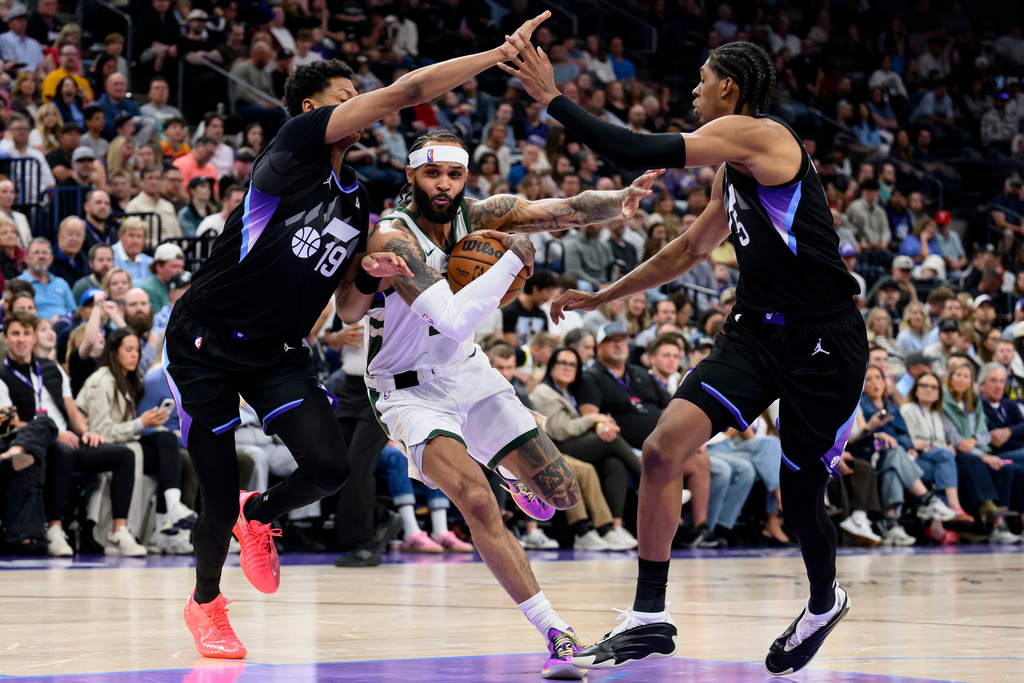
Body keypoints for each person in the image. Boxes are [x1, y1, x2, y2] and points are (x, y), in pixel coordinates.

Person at [164, 15, 557, 660]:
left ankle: (259, 515)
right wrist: (497, 53)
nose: (361, 108)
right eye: (347, 100)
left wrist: (374, 277)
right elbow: (408, 92)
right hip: (206, 342)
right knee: (211, 493)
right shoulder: (291, 151)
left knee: (329, 467)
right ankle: (207, 603)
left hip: (277, 352)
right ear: (316, 109)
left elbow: (348, 307)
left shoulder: (356, 200)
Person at [505, 37, 868, 672]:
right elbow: (688, 250)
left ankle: (822, 600)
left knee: (799, 493)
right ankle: (649, 617)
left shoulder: (764, 138)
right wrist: (604, 296)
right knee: (662, 447)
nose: (694, 92)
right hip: (756, 331)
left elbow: (636, 149)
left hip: (822, 338)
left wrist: (552, 97)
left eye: (702, 81)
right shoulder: (733, 171)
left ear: (729, 88)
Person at [363, 126, 658, 678]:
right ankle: (557, 632)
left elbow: (565, 209)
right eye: (432, 173)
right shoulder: (392, 239)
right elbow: (452, 316)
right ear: (411, 174)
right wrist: (510, 264)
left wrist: (617, 202)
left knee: (561, 495)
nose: (444, 184)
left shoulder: (481, 215)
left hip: (469, 373)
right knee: (476, 502)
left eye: (454, 173)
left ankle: (514, 472)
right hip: (409, 390)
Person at [76, 327, 196, 554]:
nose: (135, 355)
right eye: (128, 350)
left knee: (168, 442)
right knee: (163, 447)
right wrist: (141, 423)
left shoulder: (128, 380)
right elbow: (102, 431)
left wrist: (151, 422)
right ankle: (163, 518)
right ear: (114, 352)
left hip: (124, 441)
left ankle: (168, 518)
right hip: (98, 446)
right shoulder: (101, 381)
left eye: (137, 350)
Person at [530, 345, 640, 550]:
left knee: (613, 462)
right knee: (611, 440)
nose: (567, 367)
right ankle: (646, 477)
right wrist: (593, 419)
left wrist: (596, 423)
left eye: (572, 364)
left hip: (567, 444)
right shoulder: (544, 392)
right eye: (562, 363)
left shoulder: (566, 391)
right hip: (555, 446)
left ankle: (611, 529)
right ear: (551, 366)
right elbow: (560, 430)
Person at [18, 238, 76, 320]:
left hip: (64, 327)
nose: (41, 256)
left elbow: (73, 312)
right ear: (26, 258)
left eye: (45, 252)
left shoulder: (62, 284)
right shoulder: (18, 284)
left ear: (51, 258)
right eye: (36, 252)